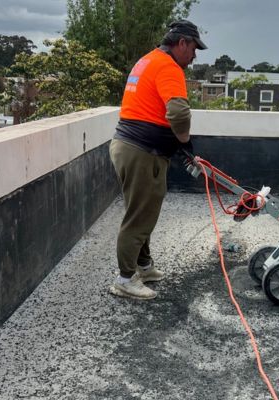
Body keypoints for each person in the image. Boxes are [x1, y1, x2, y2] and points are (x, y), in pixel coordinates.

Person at [108, 20, 207, 300]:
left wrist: (178, 144)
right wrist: (186, 142)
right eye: (194, 48)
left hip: (129, 146)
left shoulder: (148, 60)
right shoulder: (169, 66)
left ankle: (144, 266)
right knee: (139, 216)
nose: (195, 55)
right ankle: (125, 280)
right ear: (182, 43)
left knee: (144, 210)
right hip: (141, 151)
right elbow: (178, 112)